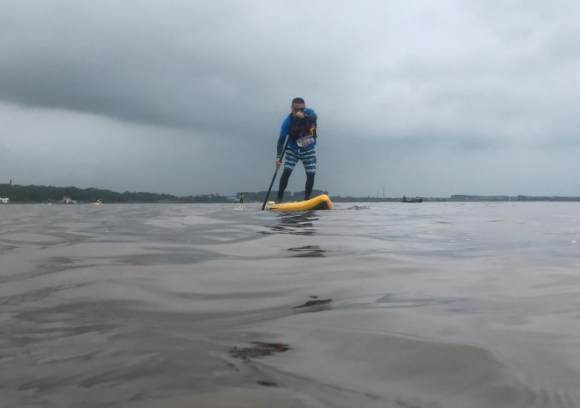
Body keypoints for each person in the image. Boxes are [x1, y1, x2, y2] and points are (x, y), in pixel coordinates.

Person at [275, 97, 318, 202]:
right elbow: (281, 140)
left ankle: (306, 199)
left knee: (311, 173)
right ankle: (279, 199)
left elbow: (314, 118)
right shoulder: (287, 122)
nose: (299, 112)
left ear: (305, 108)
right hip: (293, 149)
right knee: (287, 171)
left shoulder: (310, 113)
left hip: (308, 149)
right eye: (296, 109)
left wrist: (304, 116)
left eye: (302, 109)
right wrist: (278, 156)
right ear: (291, 108)